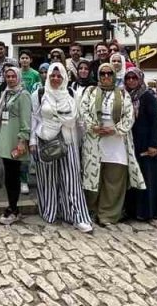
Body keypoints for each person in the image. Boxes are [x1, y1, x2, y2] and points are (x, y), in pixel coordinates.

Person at [79, 63, 145, 226]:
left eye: (109, 74)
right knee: (94, 178)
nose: (106, 77)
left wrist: (115, 129)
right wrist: (92, 126)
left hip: (116, 142)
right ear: (99, 75)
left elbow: (129, 116)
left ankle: (108, 214)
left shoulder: (122, 93)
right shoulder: (90, 91)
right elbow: (83, 110)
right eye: (103, 74)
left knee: (114, 180)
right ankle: (92, 210)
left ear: (114, 75)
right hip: (95, 140)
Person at [32, 64, 93, 233]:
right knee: (48, 180)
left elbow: (78, 120)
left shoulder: (71, 94)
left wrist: (83, 142)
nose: (56, 79)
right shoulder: (39, 94)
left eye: (59, 76)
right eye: (53, 75)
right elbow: (34, 119)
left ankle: (77, 215)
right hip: (46, 141)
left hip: (68, 142)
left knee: (72, 180)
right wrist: (32, 142)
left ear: (65, 77)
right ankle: (50, 211)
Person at [124, 67, 157, 221]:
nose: (131, 81)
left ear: (140, 78)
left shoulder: (147, 96)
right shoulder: (126, 96)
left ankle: (149, 211)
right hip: (133, 143)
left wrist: (154, 144)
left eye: (134, 78)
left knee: (148, 178)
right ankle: (135, 210)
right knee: (136, 178)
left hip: (147, 144)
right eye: (128, 78)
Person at [0, 66, 33, 225]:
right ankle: (12, 206)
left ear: (18, 77)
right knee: (9, 176)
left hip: (15, 139)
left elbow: (26, 120)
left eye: (13, 76)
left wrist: (22, 140)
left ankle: (13, 208)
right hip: (5, 137)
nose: (10, 79)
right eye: (7, 76)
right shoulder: (6, 92)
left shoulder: (23, 95)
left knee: (13, 176)